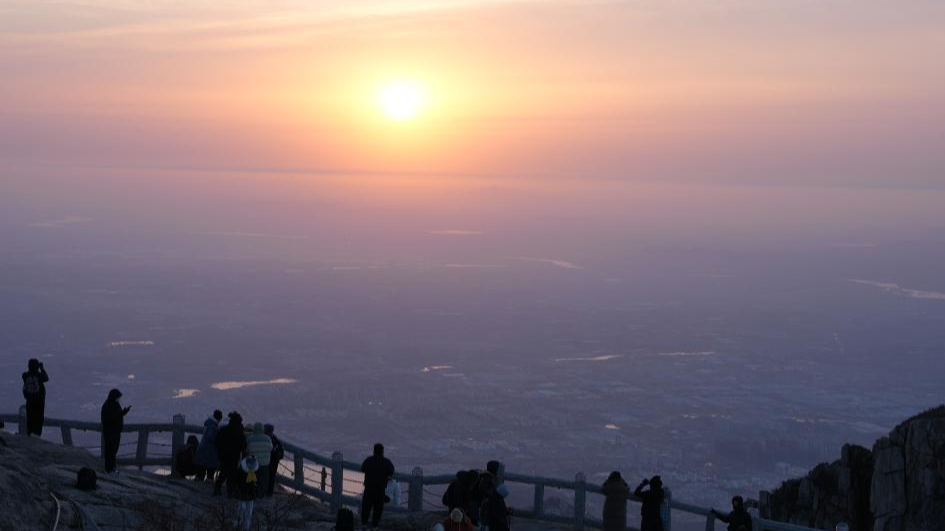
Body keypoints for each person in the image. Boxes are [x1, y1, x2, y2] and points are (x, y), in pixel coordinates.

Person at [360, 443, 395, 529]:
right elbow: (391, 471)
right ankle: (375, 526)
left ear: (374, 451)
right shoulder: (387, 462)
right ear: (382, 451)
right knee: (378, 509)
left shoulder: (368, 460)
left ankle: (364, 524)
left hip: (368, 488)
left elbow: (363, 468)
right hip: (380, 489)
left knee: (366, 507)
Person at [215, 412, 247, 497]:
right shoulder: (240, 433)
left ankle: (217, 489)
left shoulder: (223, 429)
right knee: (232, 474)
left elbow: (217, 441)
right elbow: (243, 446)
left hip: (223, 455)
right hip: (234, 456)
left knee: (223, 472)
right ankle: (230, 492)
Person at [100, 389, 131, 475]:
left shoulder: (116, 404)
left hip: (116, 431)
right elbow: (111, 418)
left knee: (114, 451)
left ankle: (113, 468)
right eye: (118, 397)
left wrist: (124, 412)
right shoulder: (107, 406)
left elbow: (117, 415)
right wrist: (122, 414)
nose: (119, 399)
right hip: (110, 432)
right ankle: (108, 469)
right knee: (110, 451)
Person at [22, 359, 50, 437]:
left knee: (30, 418)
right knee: (38, 419)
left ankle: (30, 435)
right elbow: (46, 378)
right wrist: (42, 368)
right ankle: (36, 436)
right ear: (37, 366)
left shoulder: (25, 375)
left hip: (29, 401)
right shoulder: (38, 375)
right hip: (39, 402)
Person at [246, 422, 273, 497]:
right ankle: (260, 494)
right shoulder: (268, 438)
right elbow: (271, 448)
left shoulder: (250, 438)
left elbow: (247, 449)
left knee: (252, 478)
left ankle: (252, 492)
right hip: (265, 463)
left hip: (253, 463)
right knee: (263, 479)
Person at [195, 410, 223, 482]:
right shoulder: (213, 426)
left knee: (201, 469)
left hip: (203, 449)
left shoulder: (208, 423)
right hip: (210, 451)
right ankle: (208, 481)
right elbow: (210, 436)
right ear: (219, 418)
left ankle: (199, 481)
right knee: (210, 469)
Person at [237, 455, 260, 531]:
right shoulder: (254, 473)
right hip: (246, 496)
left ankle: (242, 526)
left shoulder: (242, 471)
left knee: (244, 513)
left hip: (246, 496)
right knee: (244, 513)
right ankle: (242, 526)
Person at [264, 424, 284, 497]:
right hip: (274, 462)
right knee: (271, 477)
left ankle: (265, 492)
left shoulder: (265, 438)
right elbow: (281, 451)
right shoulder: (275, 439)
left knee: (265, 476)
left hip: (266, 461)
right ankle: (269, 493)